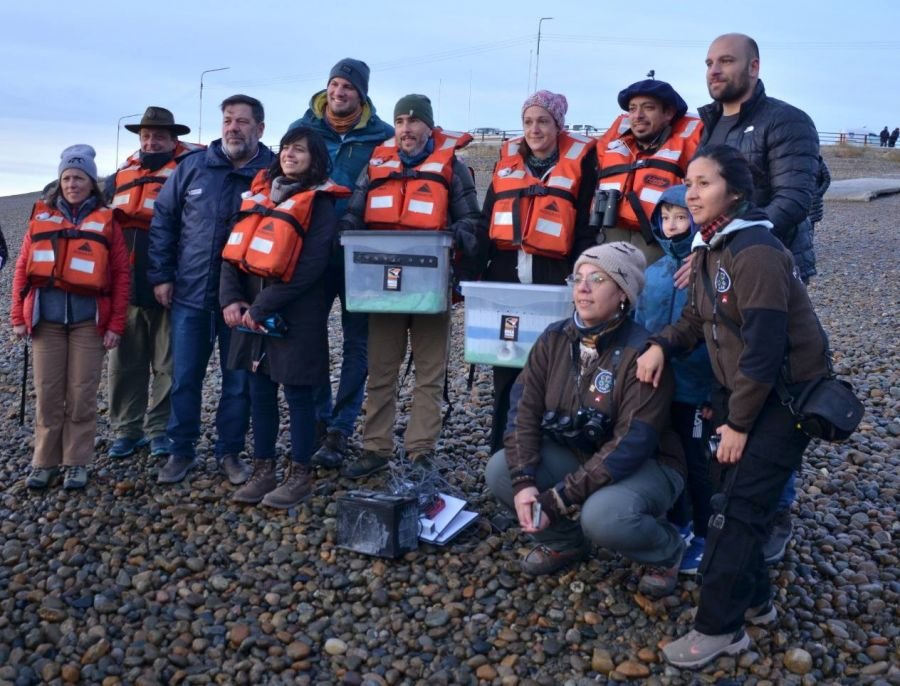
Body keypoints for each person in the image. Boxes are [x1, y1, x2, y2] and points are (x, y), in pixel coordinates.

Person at [636, 145, 830, 668]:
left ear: (737, 192)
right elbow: (696, 321)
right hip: (739, 394)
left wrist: (739, 424)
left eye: (704, 183)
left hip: (783, 399)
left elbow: (765, 348)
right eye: (688, 183)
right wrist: (660, 345)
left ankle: (719, 629)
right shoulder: (710, 248)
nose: (691, 193)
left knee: (734, 511)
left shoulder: (756, 251)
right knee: (730, 499)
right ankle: (757, 602)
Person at [486, 242, 687, 598]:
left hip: (646, 464)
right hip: (578, 452)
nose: (582, 288)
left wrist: (560, 497)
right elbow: (523, 413)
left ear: (623, 293)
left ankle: (666, 551)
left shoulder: (643, 353)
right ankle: (565, 542)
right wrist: (524, 480)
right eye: (577, 278)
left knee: (603, 517)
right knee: (502, 470)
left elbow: (631, 444)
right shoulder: (553, 338)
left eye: (597, 279)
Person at [338, 94, 481, 479]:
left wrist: (454, 235)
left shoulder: (452, 168)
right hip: (381, 288)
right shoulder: (376, 165)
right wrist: (347, 233)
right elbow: (353, 214)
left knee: (429, 375)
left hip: (430, 287)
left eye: (414, 121)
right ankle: (375, 448)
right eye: (400, 121)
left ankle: (421, 451)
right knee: (381, 371)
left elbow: (473, 221)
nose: (406, 129)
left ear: (428, 128)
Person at [148, 94, 275, 485]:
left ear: (260, 128)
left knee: (238, 382)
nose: (233, 128)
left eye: (242, 121)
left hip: (243, 299)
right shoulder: (192, 167)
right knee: (185, 377)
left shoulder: (272, 172)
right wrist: (162, 275)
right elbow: (164, 221)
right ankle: (180, 450)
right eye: (227, 121)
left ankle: (229, 452)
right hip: (190, 293)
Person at [220, 127, 346, 507]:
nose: (290, 154)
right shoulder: (258, 196)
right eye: (287, 148)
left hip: (296, 315)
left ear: (315, 158)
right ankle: (264, 470)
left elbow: (310, 268)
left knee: (298, 394)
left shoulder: (320, 205)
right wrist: (231, 299)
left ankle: (300, 475)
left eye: (300, 150)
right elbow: (232, 253)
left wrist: (263, 305)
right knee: (259, 391)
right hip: (250, 312)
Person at [476, 90, 598, 454]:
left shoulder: (581, 167)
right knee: (505, 370)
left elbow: (586, 229)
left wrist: (579, 279)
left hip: (554, 281)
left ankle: (546, 454)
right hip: (506, 281)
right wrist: (471, 275)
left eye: (543, 121)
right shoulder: (506, 166)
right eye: (528, 122)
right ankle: (501, 452)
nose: (535, 129)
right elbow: (486, 223)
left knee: (552, 371)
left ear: (559, 125)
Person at [288, 58, 394, 470]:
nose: (339, 92)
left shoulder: (382, 136)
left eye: (348, 86)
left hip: (359, 253)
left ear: (361, 93)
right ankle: (318, 416)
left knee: (358, 344)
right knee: (310, 337)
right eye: (334, 84)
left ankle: (341, 427)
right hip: (308, 252)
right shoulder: (302, 130)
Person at [11, 145, 130, 490]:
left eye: (79, 178)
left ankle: (76, 462)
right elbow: (22, 269)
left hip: (88, 324)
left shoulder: (108, 223)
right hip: (46, 323)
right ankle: (44, 462)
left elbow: (121, 276)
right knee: (48, 394)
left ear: (92, 182)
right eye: (67, 178)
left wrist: (115, 325)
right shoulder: (40, 219)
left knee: (82, 395)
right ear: (59, 181)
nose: (72, 184)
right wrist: (18, 316)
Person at [105, 106, 203, 460]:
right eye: (146, 136)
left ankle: (160, 429)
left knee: (169, 365)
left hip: (170, 286)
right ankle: (126, 430)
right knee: (124, 365)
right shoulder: (118, 177)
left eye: (159, 136)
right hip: (125, 288)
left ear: (174, 139)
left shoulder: (188, 173)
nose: (151, 142)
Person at [633, 185, 715, 575]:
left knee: (697, 459)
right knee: (665, 453)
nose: (672, 225)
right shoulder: (653, 272)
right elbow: (637, 326)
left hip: (696, 386)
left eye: (681, 217)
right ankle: (678, 521)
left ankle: (705, 533)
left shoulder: (709, 270)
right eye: (665, 218)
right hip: (655, 385)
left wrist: (717, 390)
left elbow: (718, 334)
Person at [698, 33, 819, 283]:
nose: (714, 71)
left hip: (769, 262)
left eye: (726, 61)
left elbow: (793, 200)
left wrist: (731, 243)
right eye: (709, 64)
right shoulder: (708, 125)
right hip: (713, 259)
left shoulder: (786, 120)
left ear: (753, 67)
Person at [594, 79, 703, 265]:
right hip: (612, 238)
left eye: (648, 108)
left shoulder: (694, 148)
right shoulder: (613, 146)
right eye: (632, 109)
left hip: (662, 247)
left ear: (668, 113)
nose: (638, 115)